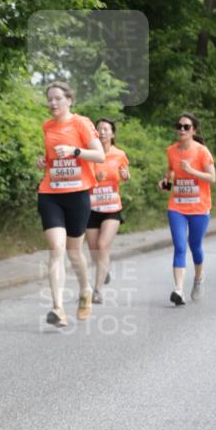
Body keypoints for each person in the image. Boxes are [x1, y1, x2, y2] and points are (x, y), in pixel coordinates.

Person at [37, 82, 104, 328]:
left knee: (74, 252)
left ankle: (85, 289)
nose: (52, 103)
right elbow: (53, 159)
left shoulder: (81, 123)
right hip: (50, 193)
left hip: (77, 195)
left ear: (69, 100)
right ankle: (58, 308)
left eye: (57, 99)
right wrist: (44, 160)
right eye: (50, 99)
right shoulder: (47, 127)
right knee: (56, 248)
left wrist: (75, 151)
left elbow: (99, 156)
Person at [158, 113, 216, 305]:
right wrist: (164, 182)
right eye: (179, 126)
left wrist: (191, 171)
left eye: (186, 126)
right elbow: (171, 173)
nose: (182, 129)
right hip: (177, 206)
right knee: (180, 246)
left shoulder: (202, 151)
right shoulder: (171, 151)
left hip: (199, 207)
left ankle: (198, 278)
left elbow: (211, 178)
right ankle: (179, 290)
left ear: (194, 130)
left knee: (195, 245)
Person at [86, 118, 130, 304]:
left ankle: (97, 291)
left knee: (103, 245)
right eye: (99, 129)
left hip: (112, 207)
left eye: (106, 129)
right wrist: (95, 178)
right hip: (91, 208)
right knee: (94, 249)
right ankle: (105, 270)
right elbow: (82, 179)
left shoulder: (119, 154)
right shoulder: (90, 154)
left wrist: (125, 175)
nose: (102, 132)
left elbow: (125, 174)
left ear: (112, 134)